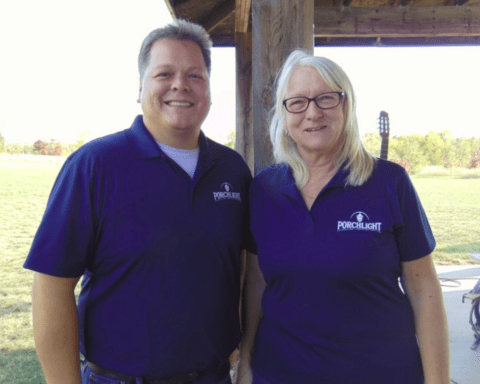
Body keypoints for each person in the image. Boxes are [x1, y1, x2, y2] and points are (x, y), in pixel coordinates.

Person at [24, 20, 253, 384]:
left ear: (208, 91)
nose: (180, 84)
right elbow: (51, 284)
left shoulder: (233, 170)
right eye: (165, 73)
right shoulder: (95, 165)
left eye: (195, 75)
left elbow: (243, 269)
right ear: (140, 87)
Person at [237, 50, 450, 384]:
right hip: (277, 374)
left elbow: (424, 288)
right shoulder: (264, 189)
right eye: (298, 102)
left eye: (326, 98)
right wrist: (246, 359)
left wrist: (437, 380)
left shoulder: (389, 183)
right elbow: (257, 281)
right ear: (284, 114)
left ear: (346, 106)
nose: (313, 112)